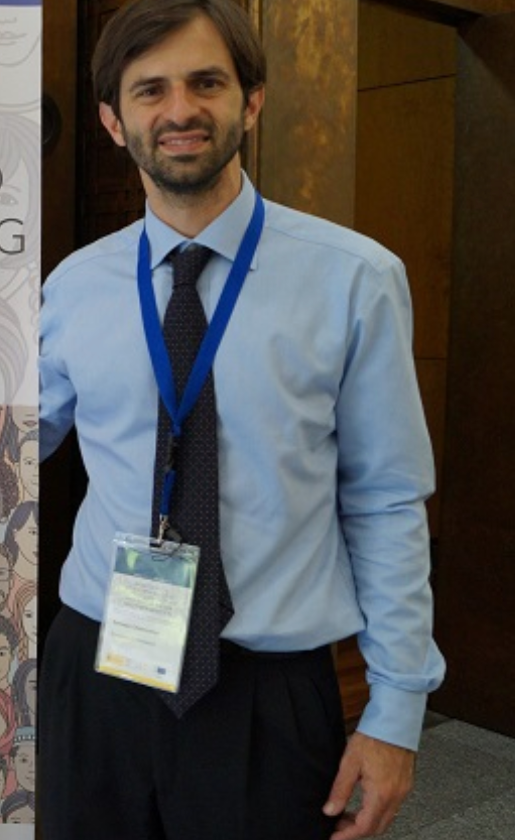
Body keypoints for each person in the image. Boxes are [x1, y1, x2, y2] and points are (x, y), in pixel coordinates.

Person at [38, 2, 444, 839]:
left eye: (206, 82)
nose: (179, 109)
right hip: (100, 664)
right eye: (149, 90)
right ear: (114, 120)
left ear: (251, 101)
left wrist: (397, 709)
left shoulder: (354, 280)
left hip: (267, 689)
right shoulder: (73, 285)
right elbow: (5, 448)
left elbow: (387, 501)